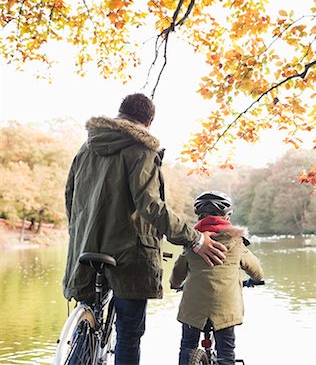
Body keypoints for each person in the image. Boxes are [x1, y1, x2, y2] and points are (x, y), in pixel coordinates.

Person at [62, 93, 227, 365]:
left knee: (87, 326)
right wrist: (194, 238)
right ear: (149, 122)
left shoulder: (86, 148)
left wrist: (79, 232)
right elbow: (150, 205)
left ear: (119, 113)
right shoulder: (140, 150)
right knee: (128, 333)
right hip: (129, 255)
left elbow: (70, 196)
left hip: (86, 249)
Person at [170, 191, 264, 365]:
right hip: (225, 307)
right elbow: (256, 270)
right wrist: (256, 280)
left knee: (187, 346)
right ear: (227, 217)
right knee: (226, 351)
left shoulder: (193, 242)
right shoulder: (236, 241)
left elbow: (178, 271)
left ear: (199, 217)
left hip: (194, 308)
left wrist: (175, 284)